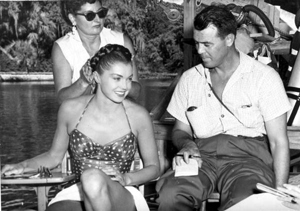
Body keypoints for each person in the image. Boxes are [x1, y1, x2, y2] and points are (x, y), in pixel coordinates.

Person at [155, 5, 291, 211]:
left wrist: (280, 194)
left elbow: (278, 142)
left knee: (248, 201)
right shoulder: (190, 79)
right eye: (197, 43)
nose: (200, 51)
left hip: (248, 160)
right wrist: (187, 145)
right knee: (170, 195)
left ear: (229, 40)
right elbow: (180, 130)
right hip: (202, 157)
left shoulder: (264, 78)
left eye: (207, 44)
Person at [1, 44, 160, 211]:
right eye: (117, 78)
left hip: (122, 192)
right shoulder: (71, 110)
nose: (125, 86)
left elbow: (154, 168)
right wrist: (22, 166)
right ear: (97, 77)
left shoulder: (138, 116)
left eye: (129, 78)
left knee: (92, 178)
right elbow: (54, 157)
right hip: (77, 191)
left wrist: (127, 178)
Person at [52, 0, 141, 104]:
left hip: (119, 115)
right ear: (73, 18)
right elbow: (61, 99)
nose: (98, 19)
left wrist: (114, 79)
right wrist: (83, 82)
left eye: (101, 13)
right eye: (90, 15)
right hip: (81, 116)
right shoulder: (62, 47)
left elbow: (136, 92)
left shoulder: (122, 41)